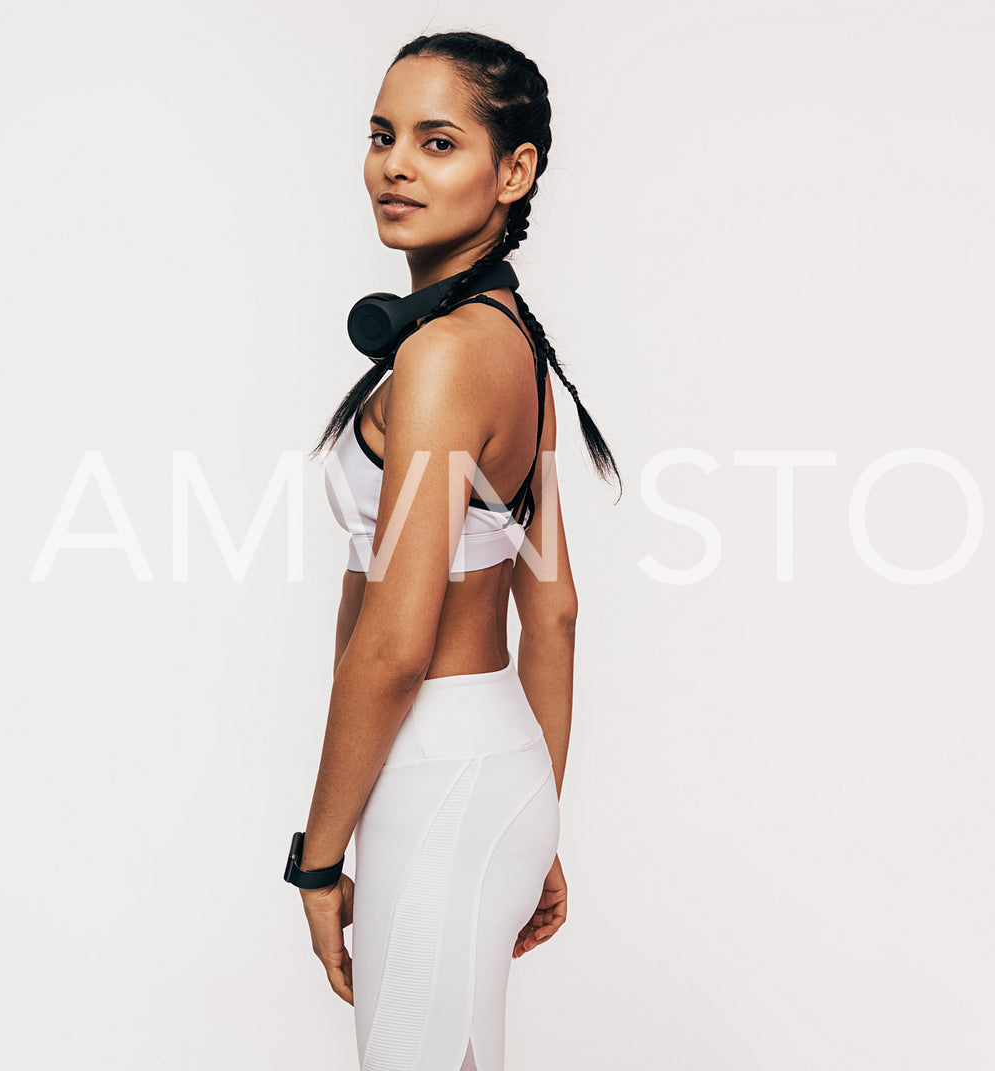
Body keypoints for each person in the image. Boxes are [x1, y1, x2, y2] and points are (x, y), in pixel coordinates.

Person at [289, 31, 620, 1071]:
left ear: (511, 170)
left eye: (437, 142)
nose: (394, 165)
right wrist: (529, 812)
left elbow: (391, 650)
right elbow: (554, 614)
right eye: (383, 135)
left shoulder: (439, 358)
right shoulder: (511, 338)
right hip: (490, 767)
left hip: (433, 772)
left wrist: (316, 859)